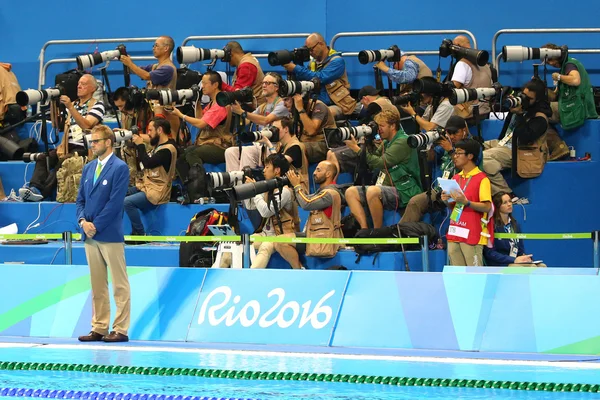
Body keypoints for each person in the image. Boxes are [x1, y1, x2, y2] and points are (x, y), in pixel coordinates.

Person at [75, 125, 130, 342]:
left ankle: (121, 329)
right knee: (97, 285)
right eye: (91, 141)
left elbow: (115, 203)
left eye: (96, 141)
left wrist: (94, 225)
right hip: (89, 235)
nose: (92, 145)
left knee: (119, 284)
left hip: (109, 234)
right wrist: (82, 221)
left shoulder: (119, 168)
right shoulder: (89, 168)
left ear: (108, 142)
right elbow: (80, 199)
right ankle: (99, 326)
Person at [20, 74, 104, 201]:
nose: (79, 86)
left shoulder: (98, 105)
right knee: (44, 157)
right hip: (66, 145)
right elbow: (58, 126)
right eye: (78, 84)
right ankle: (34, 188)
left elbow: (86, 125)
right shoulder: (74, 104)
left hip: (85, 148)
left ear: (93, 88)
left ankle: (43, 193)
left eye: (84, 84)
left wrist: (70, 107)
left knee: (64, 160)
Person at [343, 110, 422, 229]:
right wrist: (367, 141)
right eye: (378, 126)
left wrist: (356, 149)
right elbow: (370, 161)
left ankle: (377, 231)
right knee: (350, 192)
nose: (379, 129)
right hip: (386, 186)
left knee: (373, 191)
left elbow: (380, 163)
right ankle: (364, 230)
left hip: (403, 189)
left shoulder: (403, 141)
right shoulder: (386, 142)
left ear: (393, 126)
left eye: (382, 126)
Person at [483, 79, 551, 197]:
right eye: (523, 96)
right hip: (503, 143)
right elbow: (504, 132)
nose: (524, 100)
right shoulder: (519, 106)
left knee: (483, 158)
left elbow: (524, 137)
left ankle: (507, 194)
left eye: (529, 99)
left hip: (520, 150)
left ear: (538, 100)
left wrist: (519, 115)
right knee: (472, 148)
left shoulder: (540, 118)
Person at [401, 116, 472, 223]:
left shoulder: (472, 146)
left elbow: (464, 167)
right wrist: (431, 145)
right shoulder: (445, 144)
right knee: (415, 202)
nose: (452, 136)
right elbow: (430, 158)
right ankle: (402, 235)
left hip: (458, 190)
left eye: (455, 133)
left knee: (417, 202)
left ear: (464, 130)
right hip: (438, 189)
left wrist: (450, 150)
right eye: (449, 133)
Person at [274, 161, 342, 270]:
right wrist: (292, 186)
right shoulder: (321, 192)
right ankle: (300, 269)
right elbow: (303, 200)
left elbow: (307, 203)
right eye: (315, 169)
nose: (314, 172)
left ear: (328, 174)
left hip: (324, 238)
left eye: (319, 170)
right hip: (313, 235)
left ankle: (299, 271)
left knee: (280, 241)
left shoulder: (329, 193)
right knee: (278, 241)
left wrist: (297, 186)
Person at [171, 71, 231, 184]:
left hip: (221, 146)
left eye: (204, 83)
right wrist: (197, 101)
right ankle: (188, 187)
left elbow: (201, 124)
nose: (202, 86)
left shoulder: (220, 104)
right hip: (210, 143)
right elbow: (200, 118)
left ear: (215, 85)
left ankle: (200, 185)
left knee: (192, 153)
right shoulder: (211, 103)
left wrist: (181, 115)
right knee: (181, 157)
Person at [442, 138, 493, 267]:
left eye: (459, 153)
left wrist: (467, 202)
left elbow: (487, 207)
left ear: (470, 156)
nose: (455, 156)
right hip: (455, 231)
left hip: (472, 233)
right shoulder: (455, 178)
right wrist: (446, 200)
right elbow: (453, 206)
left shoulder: (482, 179)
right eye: (455, 152)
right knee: (458, 276)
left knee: (475, 276)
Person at [225, 72, 289, 172]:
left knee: (246, 151)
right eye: (263, 82)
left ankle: (246, 184)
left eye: (268, 83)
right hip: (261, 145)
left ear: (276, 87)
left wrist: (242, 112)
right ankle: (234, 183)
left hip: (275, 146)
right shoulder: (262, 106)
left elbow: (265, 120)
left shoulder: (282, 104)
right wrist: (235, 106)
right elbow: (246, 121)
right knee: (230, 152)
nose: (264, 85)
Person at [124, 118, 177, 236]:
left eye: (150, 130)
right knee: (121, 193)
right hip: (147, 186)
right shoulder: (159, 146)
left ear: (159, 130)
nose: (148, 133)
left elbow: (148, 163)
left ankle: (139, 233)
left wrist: (140, 146)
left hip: (158, 190)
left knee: (127, 202)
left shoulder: (168, 149)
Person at [283, 33, 356, 116]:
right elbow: (305, 80)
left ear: (321, 44)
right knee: (293, 112)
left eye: (311, 49)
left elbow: (320, 78)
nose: (310, 53)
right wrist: (298, 63)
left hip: (337, 104)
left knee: (320, 114)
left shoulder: (337, 61)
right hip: (316, 102)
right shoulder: (313, 63)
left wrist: (296, 68)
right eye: (308, 50)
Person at [245, 154, 298, 268]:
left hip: (281, 235)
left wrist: (255, 191)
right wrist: (248, 191)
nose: (263, 171)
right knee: (243, 243)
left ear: (277, 170)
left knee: (265, 246)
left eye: (267, 167)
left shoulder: (285, 191)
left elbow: (266, 212)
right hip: (264, 233)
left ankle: (250, 277)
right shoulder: (267, 188)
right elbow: (251, 207)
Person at [118, 36, 178, 132]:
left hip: (163, 115)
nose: (153, 48)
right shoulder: (155, 66)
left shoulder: (168, 68)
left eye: (156, 45)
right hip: (152, 112)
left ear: (166, 48)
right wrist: (126, 61)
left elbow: (146, 76)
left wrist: (130, 64)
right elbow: (138, 70)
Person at [542, 43, 598, 129]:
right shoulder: (564, 68)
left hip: (580, 109)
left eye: (551, 60)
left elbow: (575, 80)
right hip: (571, 106)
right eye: (548, 62)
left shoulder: (570, 64)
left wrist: (559, 77)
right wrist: (541, 87)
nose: (551, 63)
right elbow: (553, 96)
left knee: (538, 111)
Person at [483, 192, 545, 267]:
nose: (509, 204)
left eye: (510, 201)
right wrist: (513, 260)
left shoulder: (515, 224)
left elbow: (520, 250)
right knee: (518, 267)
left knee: (541, 266)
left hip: (515, 260)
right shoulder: (492, 226)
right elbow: (490, 253)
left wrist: (525, 258)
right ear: (498, 206)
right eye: (505, 203)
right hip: (501, 263)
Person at [449, 35, 493, 118]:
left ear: (457, 46)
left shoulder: (462, 64)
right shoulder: (486, 65)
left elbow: (452, 90)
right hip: (484, 113)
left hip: (468, 117)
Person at [221, 41, 265, 105]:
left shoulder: (246, 66)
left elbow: (239, 93)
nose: (226, 60)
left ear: (231, 54)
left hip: (255, 108)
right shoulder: (247, 60)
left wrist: (220, 84)